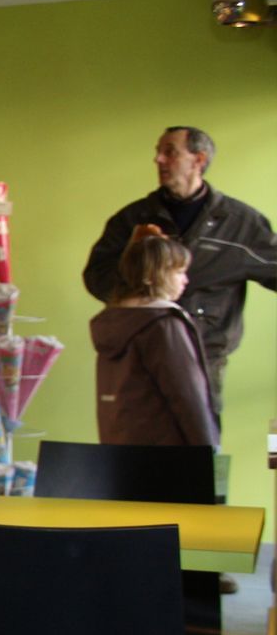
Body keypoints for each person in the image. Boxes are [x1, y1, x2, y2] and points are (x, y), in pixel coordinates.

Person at [82, 126, 277, 419]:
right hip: (138, 355)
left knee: (200, 447)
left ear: (199, 160)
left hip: (205, 359)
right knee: (136, 444)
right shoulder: (133, 220)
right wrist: (142, 287)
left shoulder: (241, 224)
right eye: (158, 152)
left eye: (170, 152)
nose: (158, 159)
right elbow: (97, 276)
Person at [90, 232, 217, 448]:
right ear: (153, 274)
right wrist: (208, 448)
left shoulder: (113, 321)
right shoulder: (163, 325)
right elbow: (187, 396)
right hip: (167, 453)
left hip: (121, 448)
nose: (186, 280)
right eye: (179, 271)